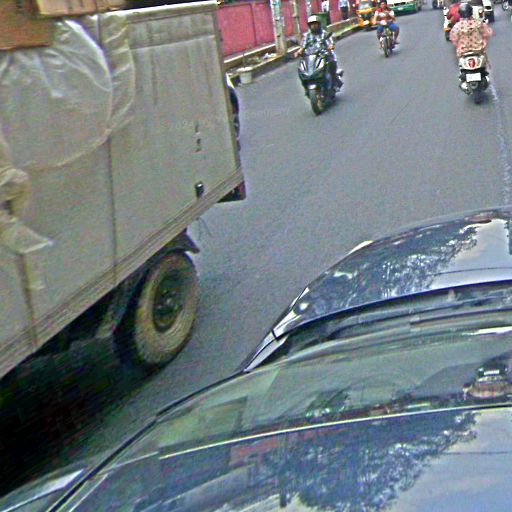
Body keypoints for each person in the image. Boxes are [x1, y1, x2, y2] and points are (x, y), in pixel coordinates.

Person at [294, 15, 343, 88]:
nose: (314, 26)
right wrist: (298, 52)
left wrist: (330, 46)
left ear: (319, 24)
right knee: (303, 68)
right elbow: (303, 46)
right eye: (312, 24)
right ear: (309, 26)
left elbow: (330, 42)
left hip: (324, 54)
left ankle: (334, 81)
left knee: (332, 62)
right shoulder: (307, 36)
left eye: (315, 24)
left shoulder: (324, 34)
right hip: (311, 56)